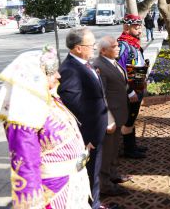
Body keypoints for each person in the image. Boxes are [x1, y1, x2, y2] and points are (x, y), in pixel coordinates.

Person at [0, 46, 91, 208]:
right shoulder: (22, 116)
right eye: (52, 73)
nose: (58, 76)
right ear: (34, 78)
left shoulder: (48, 100)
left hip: (74, 183)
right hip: (54, 192)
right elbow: (25, 165)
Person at [57, 28, 113, 209]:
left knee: (94, 171)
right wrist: (85, 138)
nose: (95, 47)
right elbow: (74, 107)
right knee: (89, 173)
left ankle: (95, 203)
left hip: (96, 129)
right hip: (87, 136)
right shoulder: (70, 70)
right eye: (91, 45)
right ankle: (92, 205)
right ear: (78, 48)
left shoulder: (84, 64)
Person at [93, 36, 134, 196]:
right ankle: (105, 186)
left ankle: (113, 175)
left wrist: (130, 92)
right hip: (110, 118)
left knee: (114, 149)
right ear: (103, 50)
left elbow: (121, 82)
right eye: (114, 46)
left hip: (119, 115)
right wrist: (108, 119)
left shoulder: (112, 62)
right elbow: (101, 96)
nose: (118, 48)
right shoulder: (99, 66)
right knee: (107, 152)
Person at [117, 14, 149, 159]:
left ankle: (133, 146)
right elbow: (119, 71)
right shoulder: (123, 45)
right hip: (130, 90)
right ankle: (129, 150)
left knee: (133, 117)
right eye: (136, 27)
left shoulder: (133, 44)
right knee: (129, 120)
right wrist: (129, 91)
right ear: (126, 27)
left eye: (140, 26)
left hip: (138, 86)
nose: (140, 30)